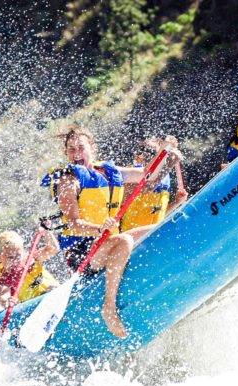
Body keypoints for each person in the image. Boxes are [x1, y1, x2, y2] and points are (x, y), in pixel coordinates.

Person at [42, 126, 183, 338]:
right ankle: (109, 307)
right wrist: (99, 228)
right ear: (66, 154)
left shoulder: (111, 172)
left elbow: (149, 177)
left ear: (93, 148)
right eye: (71, 150)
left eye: (81, 147)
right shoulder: (68, 180)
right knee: (125, 240)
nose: (76, 153)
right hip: (83, 252)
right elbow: (72, 224)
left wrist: (168, 157)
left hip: (108, 240)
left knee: (162, 228)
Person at [120, 136, 188, 232]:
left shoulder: (164, 178)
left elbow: (157, 214)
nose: (150, 156)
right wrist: (169, 164)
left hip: (153, 236)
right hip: (131, 237)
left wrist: (175, 203)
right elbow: (146, 186)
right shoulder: (130, 177)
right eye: (147, 151)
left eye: (155, 152)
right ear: (138, 157)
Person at [0, 229, 59, 308]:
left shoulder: (31, 259)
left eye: (18, 256)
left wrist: (47, 231)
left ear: (23, 251)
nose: (15, 261)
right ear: (0, 257)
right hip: (37, 308)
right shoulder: (3, 278)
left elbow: (53, 248)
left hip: (55, 295)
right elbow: (4, 297)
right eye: (10, 257)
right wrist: (8, 302)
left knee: (52, 288)